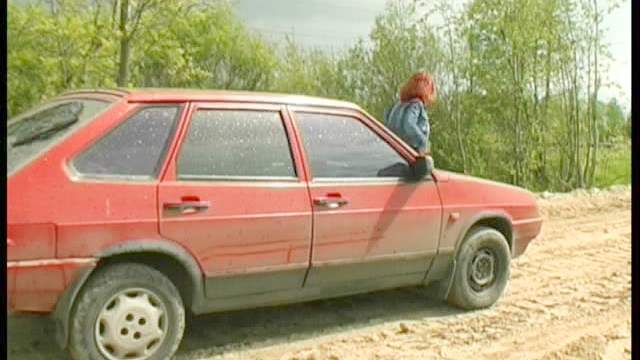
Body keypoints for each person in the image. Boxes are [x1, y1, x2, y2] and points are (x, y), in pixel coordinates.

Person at [383, 72, 436, 172]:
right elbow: (409, 124)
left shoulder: (397, 106)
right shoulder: (416, 105)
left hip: (395, 157)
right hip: (411, 158)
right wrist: (423, 143)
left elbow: (386, 120)